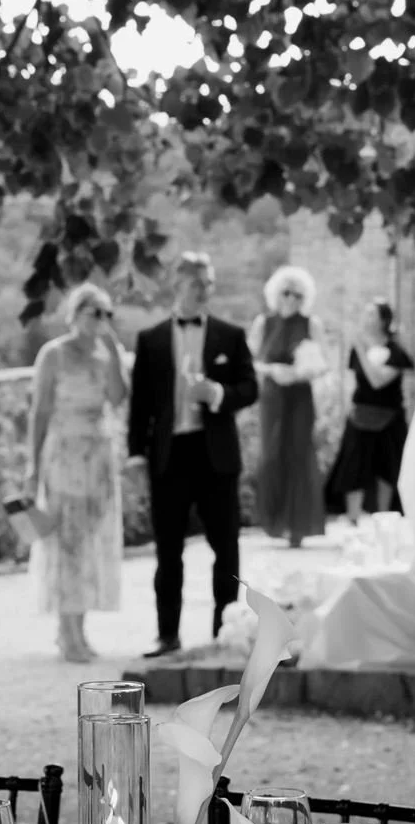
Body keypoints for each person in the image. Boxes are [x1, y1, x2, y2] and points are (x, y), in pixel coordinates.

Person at [128, 250, 259, 655]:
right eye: (196, 283)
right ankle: (167, 635)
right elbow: (140, 406)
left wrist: (219, 394)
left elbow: (250, 388)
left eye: (209, 283)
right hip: (169, 456)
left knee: (226, 546)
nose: (204, 291)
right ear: (177, 284)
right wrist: (135, 455)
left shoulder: (231, 335)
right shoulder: (150, 340)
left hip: (215, 455)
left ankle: (224, 631)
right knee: (168, 551)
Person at [27, 282, 128, 662]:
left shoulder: (106, 355)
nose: (102, 320)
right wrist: (31, 467)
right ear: (76, 314)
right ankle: (65, 631)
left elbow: (118, 400)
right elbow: (39, 412)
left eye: (107, 314)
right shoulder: (53, 354)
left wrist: (117, 355)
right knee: (66, 541)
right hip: (64, 454)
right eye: (95, 312)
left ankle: (79, 629)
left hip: (98, 456)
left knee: (90, 543)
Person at [248, 265, 327, 548]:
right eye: (286, 293)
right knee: (271, 454)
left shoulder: (311, 325)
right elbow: (251, 361)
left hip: (299, 397)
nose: (291, 299)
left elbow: (322, 364)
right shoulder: (263, 323)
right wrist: (272, 371)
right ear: (276, 293)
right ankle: (274, 521)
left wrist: (299, 373)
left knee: (298, 453)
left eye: (297, 294)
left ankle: (298, 527)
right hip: (272, 396)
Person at [324, 299, 415, 520]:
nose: (367, 319)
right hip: (360, 415)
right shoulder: (358, 350)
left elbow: (377, 380)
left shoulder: (395, 350)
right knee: (353, 468)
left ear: (384, 320)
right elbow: (353, 381)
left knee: (387, 469)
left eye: (372, 314)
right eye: (365, 314)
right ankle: (353, 518)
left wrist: (363, 351)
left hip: (389, 416)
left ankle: (384, 519)